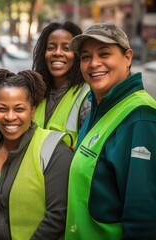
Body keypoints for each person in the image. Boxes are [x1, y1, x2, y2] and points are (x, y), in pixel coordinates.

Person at [65, 23, 156, 239]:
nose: (93, 63)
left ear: (128, 58)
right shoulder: (98, 106)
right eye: (85, 57)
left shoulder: (140, 118)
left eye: (104, 54)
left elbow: (143, 216)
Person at [0, 69, 73, 239]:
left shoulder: (54, 151)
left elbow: (57, 216)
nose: (10, 117)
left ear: (33, 110)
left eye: (19, 109)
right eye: (2, 109)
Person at [32, 21, 90, 147]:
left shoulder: (87, 98)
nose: (57, 53)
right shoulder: (34, 93)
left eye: (66, 48)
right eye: (51, 47)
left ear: (78, 55)